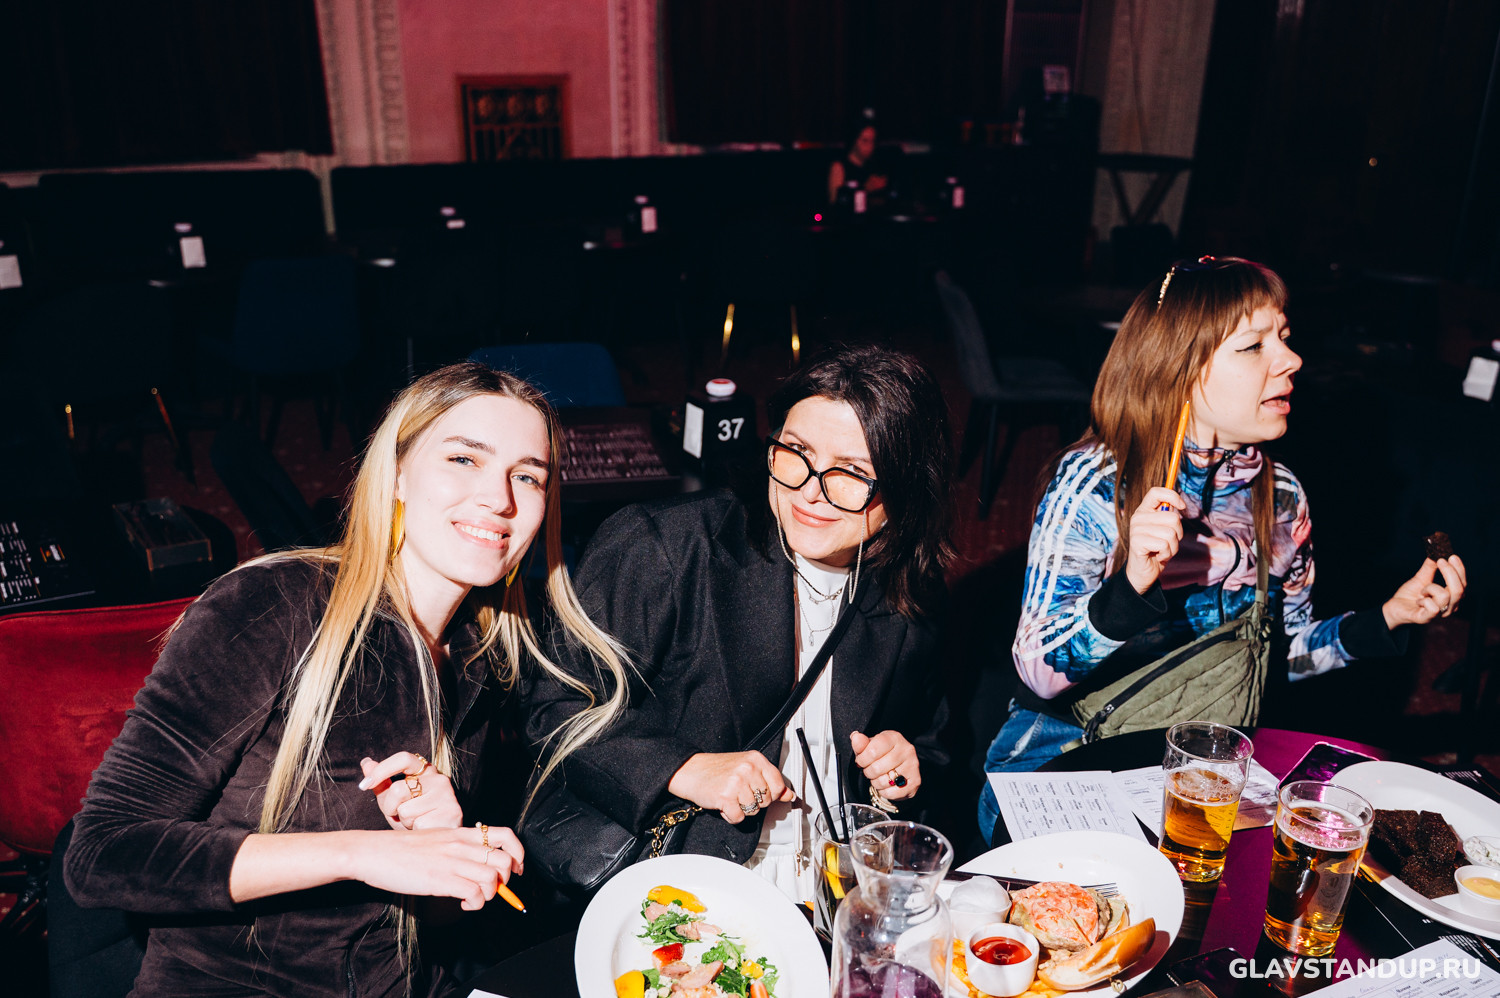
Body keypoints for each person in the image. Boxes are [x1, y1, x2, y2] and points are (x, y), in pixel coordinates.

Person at [65, 362, 631, 997]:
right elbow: (103, 854)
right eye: (463, 459)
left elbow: (431, 918)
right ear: (397, 474)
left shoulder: (483, 654)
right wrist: (360, 851)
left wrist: (447, 848)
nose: (499, 499)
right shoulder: (275, 605)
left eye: (527, 476)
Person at [977, 257, 1468, 840]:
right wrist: (1131, 586)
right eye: (1254, 346)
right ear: (1179, 369)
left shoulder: (1281, 497)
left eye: (1284, 338)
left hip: (1199, 776)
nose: (1291, 360)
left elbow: (1276, 656)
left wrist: (1387, 618)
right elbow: (1038, 673)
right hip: (1068, 770)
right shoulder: (1098, 486)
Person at [524, 345, 953, 901]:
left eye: (852, 473)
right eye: (796, 451)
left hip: (837, 884)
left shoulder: (907, 589)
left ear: (908, 491)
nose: (809, 490)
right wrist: (683, 770)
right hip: (688, 878)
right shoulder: (668, 548)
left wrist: (902, 769)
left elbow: (934, 744)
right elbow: (553, 710)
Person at [827, 119, 889, 205]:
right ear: (854, 140)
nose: (870, 146)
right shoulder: (839, 166)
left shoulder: (874, 164)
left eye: (872, 141)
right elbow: (835, 202)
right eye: (865, 141)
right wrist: (864, 189)